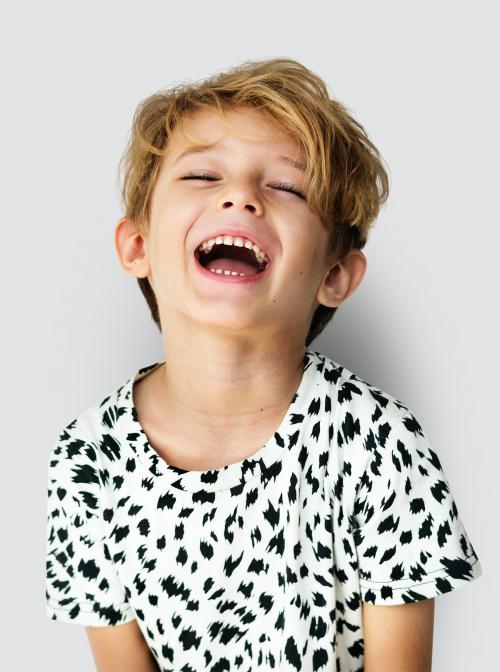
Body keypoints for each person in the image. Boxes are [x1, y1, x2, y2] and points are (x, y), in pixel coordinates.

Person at [44, 57, 482, 672]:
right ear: (137, 245)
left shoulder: (380, 442)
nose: (240, 196)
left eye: (285, 186)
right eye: (201, 174)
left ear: (334, 275)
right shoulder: (87, 458)